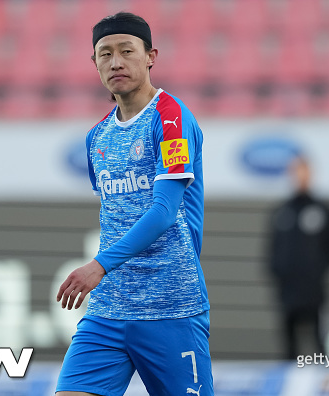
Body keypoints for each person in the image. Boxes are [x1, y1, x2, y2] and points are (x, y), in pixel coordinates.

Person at [55, 12, 213, 396]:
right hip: (108, 310)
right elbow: (115, 216)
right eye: (105, 54)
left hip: (170, 306)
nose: (116, 62)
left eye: (127, 51)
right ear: (94, 64)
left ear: (150, 56)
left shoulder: (171, 118)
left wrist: (99, 266)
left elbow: (163, 212)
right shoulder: (98, 137)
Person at [267, 155, 329, 360]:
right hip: (287, 291)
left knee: (320, 342)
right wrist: (278, 272)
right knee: (289, 345)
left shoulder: (324, 211)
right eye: (296, 172)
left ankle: (322, 387)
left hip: (315, 291)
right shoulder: (282, 212)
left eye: (304, 171)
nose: (300, 177)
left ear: (311, 174)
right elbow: (273, 248)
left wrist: (318, 272)